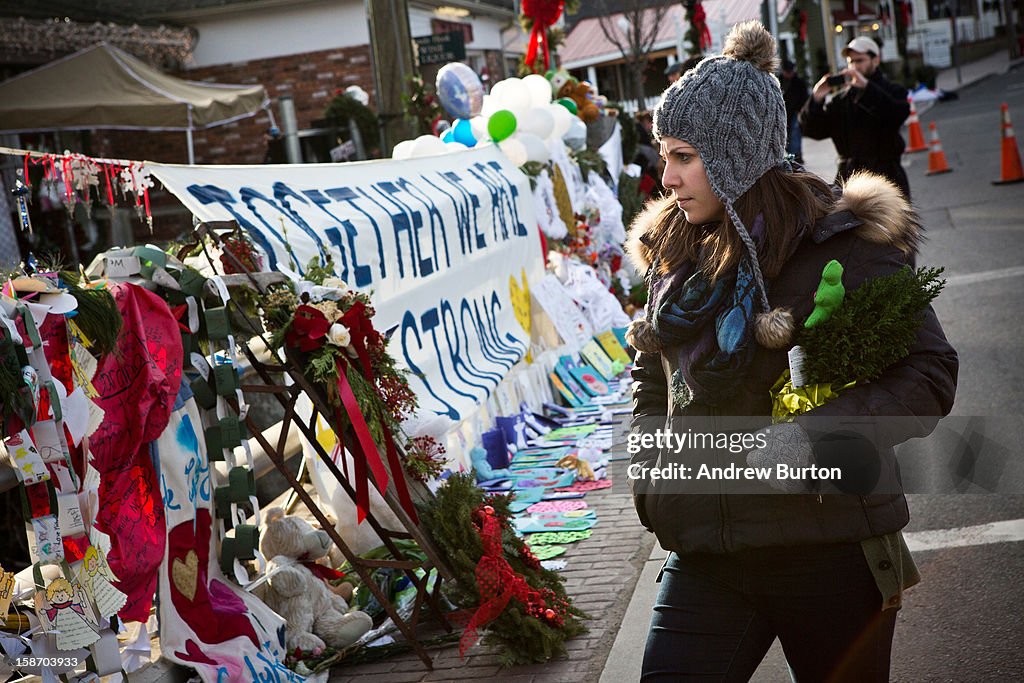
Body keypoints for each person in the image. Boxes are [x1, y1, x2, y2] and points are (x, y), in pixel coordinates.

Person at [625, 22, 957, 681]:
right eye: (665, 154)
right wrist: (653, 475)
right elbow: (650, 374)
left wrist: (820, 438)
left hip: (827, 547)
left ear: (735, 155)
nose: (667, 177)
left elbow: (929, 372)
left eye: (684, 155)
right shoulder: (674, 250)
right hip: (707, 551)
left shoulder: (842, 242)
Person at [798, 36, 912, 198]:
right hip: (850, 179)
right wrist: (817, 97)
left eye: (860, 61)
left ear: (876, 60)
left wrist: (866, 88)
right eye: (851, 62)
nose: (854, 66)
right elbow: (812, 129)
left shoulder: (892, 90)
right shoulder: (841, 100)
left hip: (887, 176)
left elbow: (897, 114)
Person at [780, 59, 808, 163]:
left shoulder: (798, 82)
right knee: (786, 134)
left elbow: (804, 96)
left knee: (795, 133)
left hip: (796, 111)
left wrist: (801, 109)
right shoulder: (779, 80)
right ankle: (791, 155)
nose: (788, 74)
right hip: (784, 113)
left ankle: (796, 156)